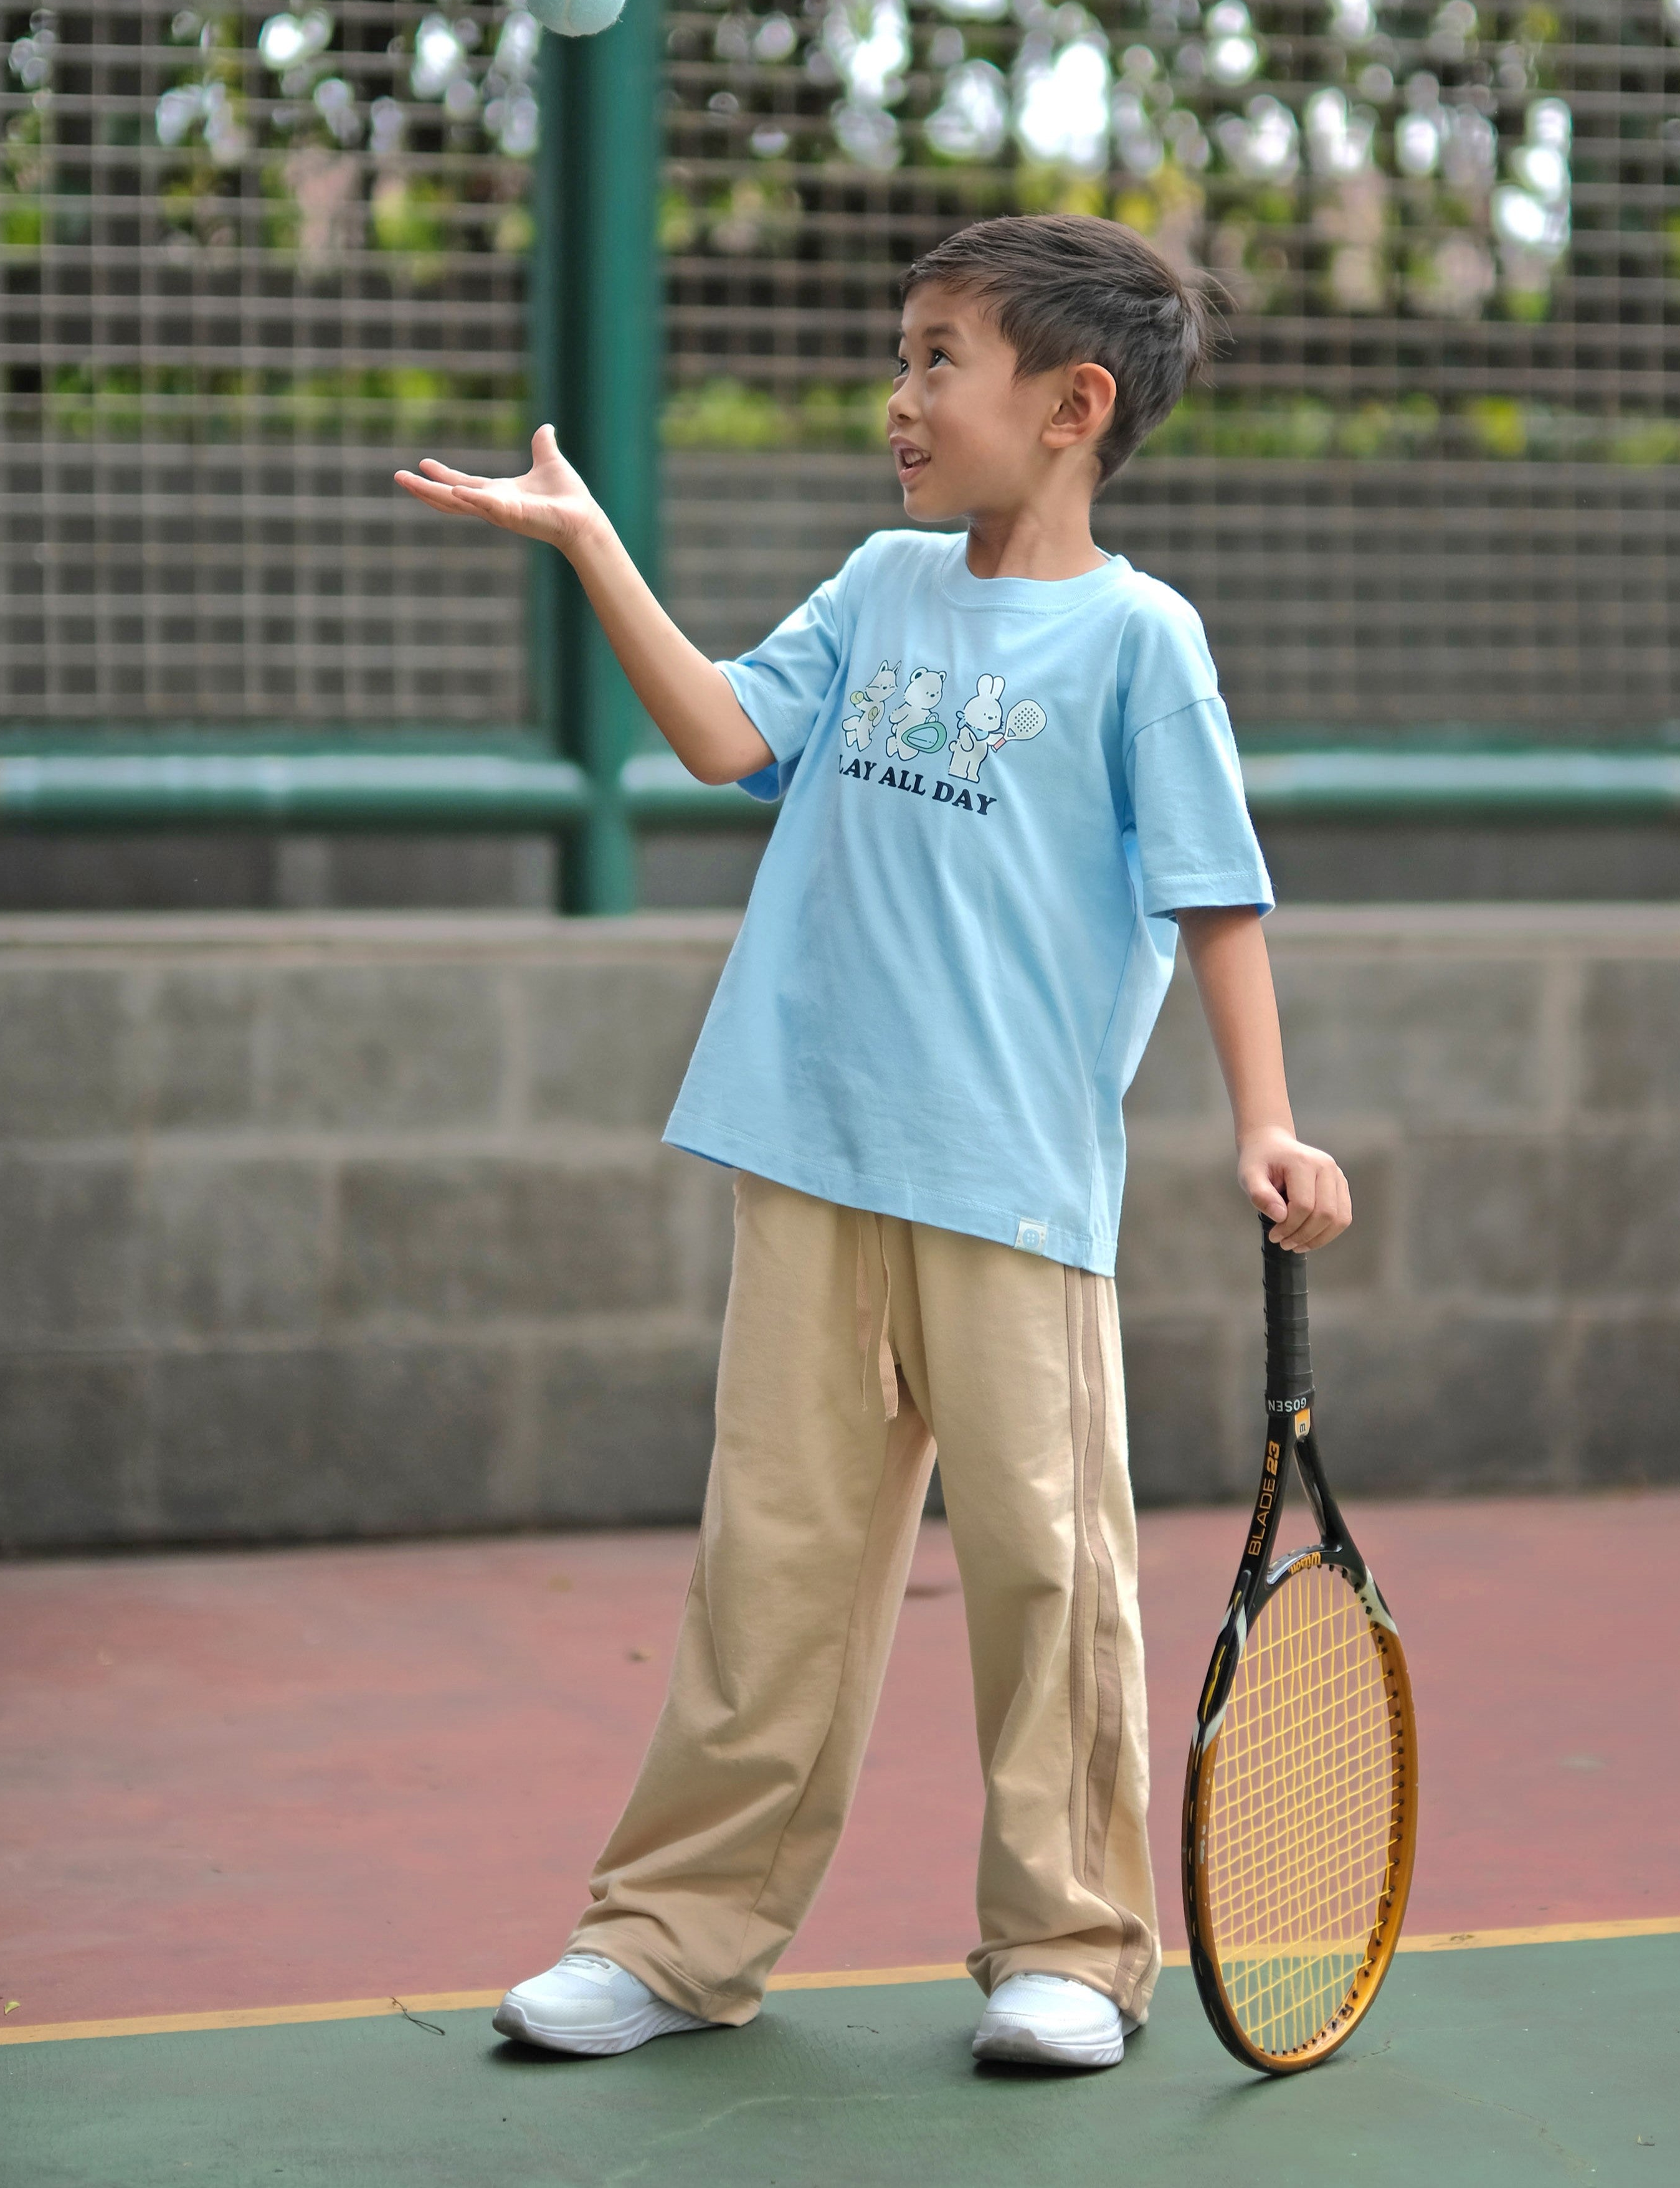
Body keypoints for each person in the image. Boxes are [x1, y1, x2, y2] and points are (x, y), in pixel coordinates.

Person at [396, 212, 1351, 2073]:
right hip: (807, 1154)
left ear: (1072, 404)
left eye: (938, 357)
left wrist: (1270, 1122)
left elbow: (1219, 899)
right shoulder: (879, 586)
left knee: (1046, 1576)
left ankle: (1070, 1946)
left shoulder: (1143, 641)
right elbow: (717, 738)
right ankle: (672, 1941)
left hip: (1010, 1191)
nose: (898, 395)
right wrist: (590, 547)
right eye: (903, 353)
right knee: (773, 1570)